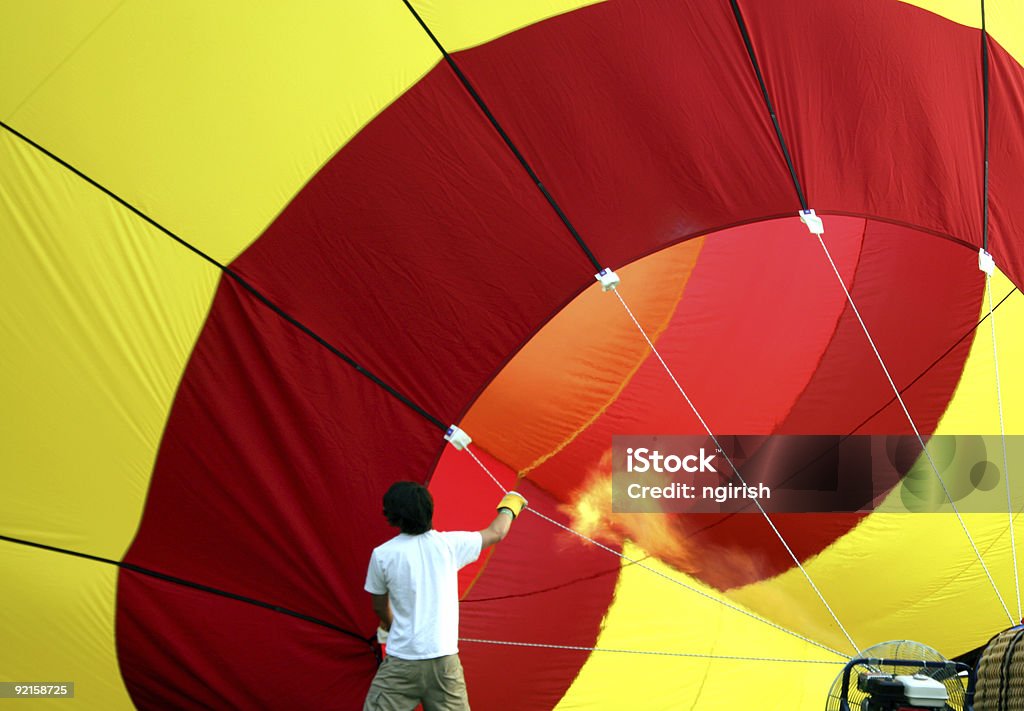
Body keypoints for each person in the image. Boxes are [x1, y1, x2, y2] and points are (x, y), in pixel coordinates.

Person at [363, 480, 527, 711]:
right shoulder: (449, 545)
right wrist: (512, 503)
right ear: (429, 510)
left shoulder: (382, 555)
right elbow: (497, 532)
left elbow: (379, 607)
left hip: (401, 663)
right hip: (445, 665)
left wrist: (391, 625)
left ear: (392, 516)